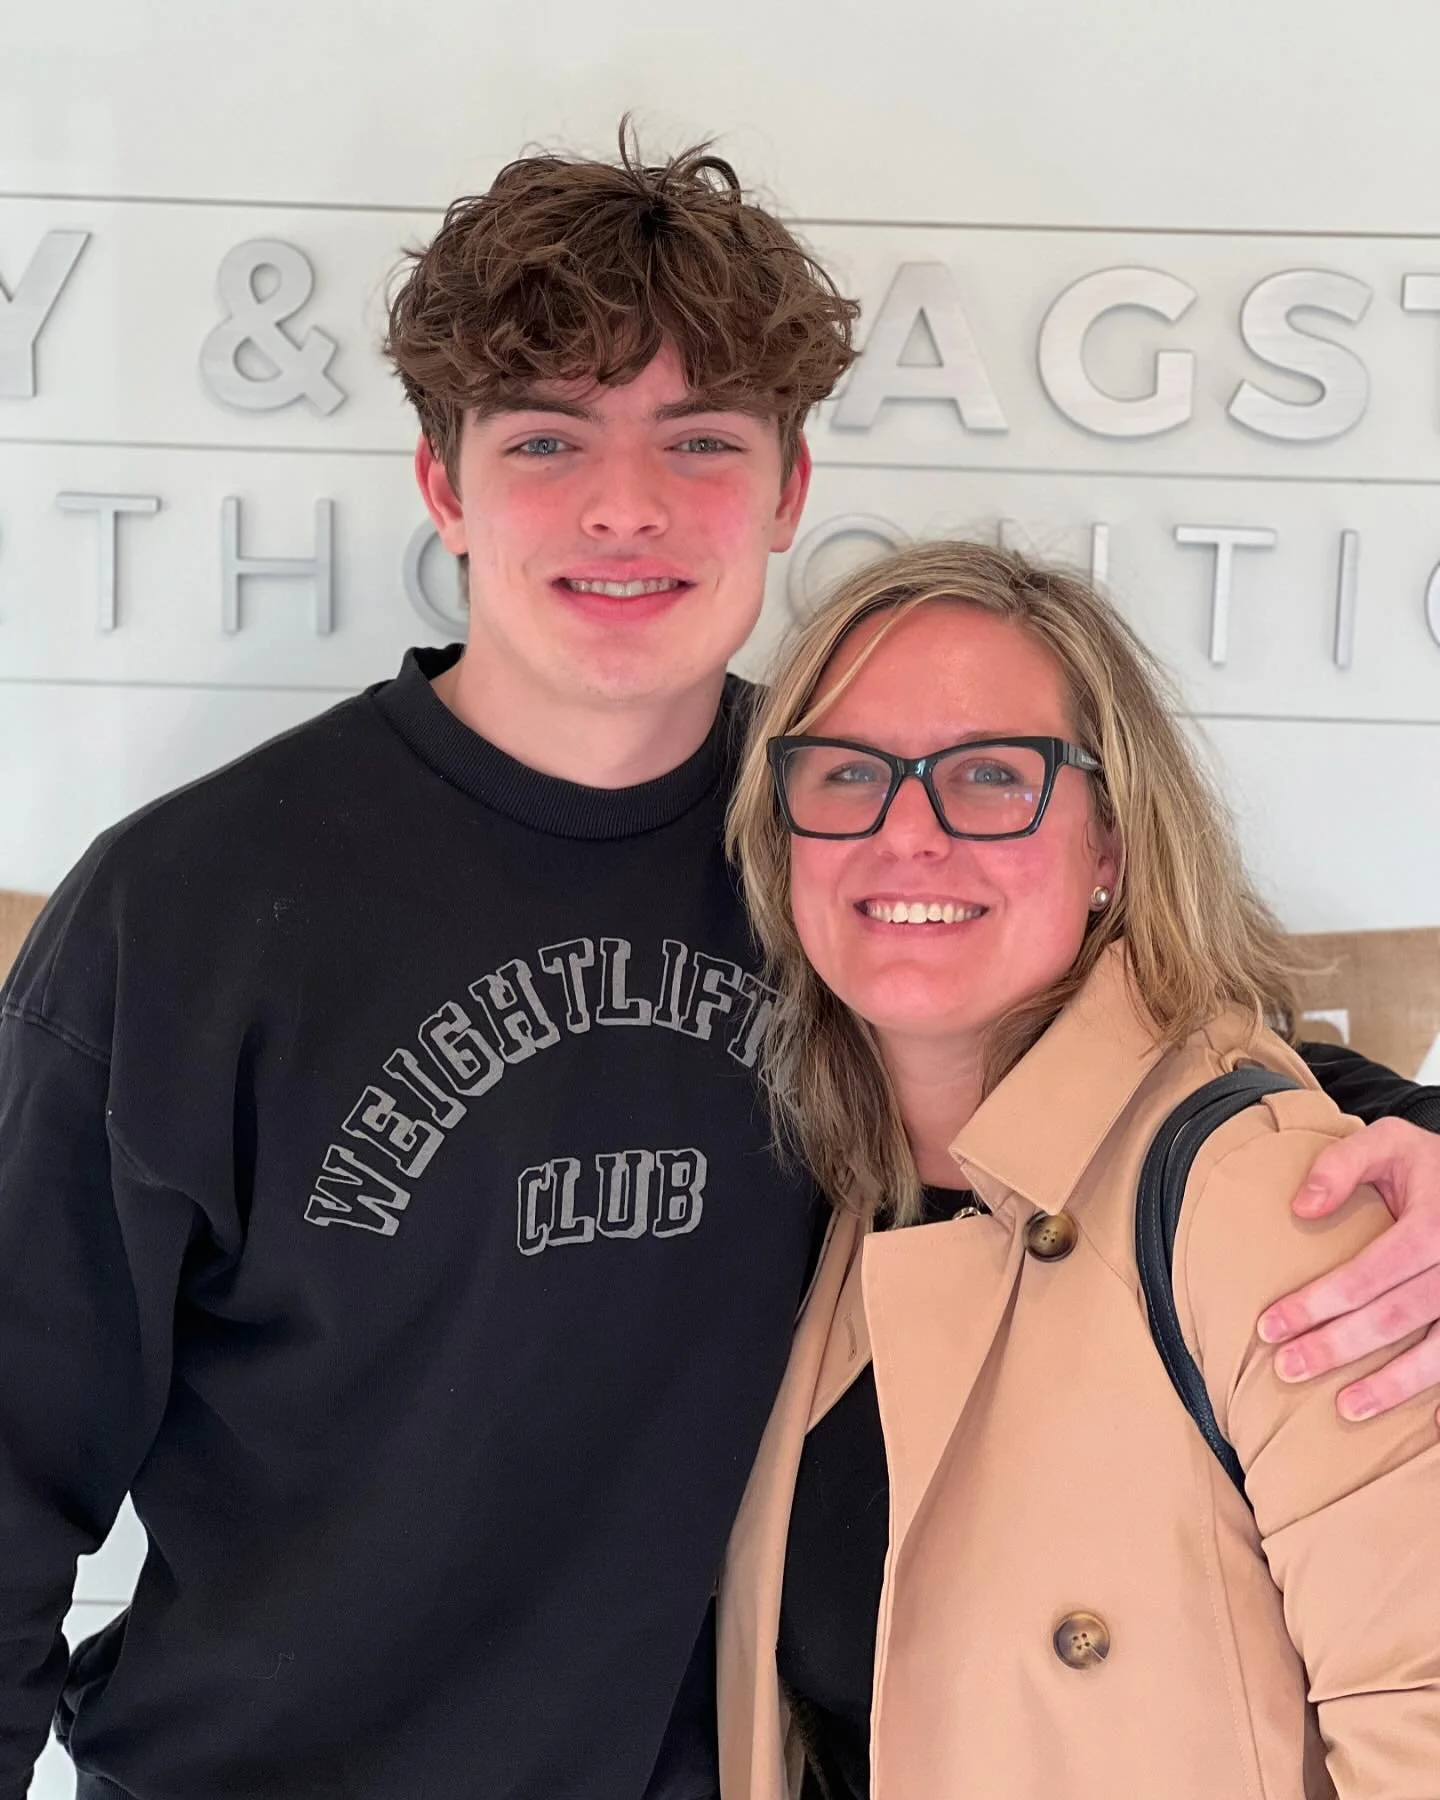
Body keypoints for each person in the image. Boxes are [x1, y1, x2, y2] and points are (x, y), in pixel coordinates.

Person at [0, 134, 1436, 1800]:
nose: (627, 504)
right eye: (547, 438)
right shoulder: (184, 909)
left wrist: (1399, 1131)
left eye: (699, 440)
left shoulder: (852, 840)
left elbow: (1124, 1058)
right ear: (444, 485)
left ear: (788, 489)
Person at [718, 540, 1440, 1799]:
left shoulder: (1272, 1201)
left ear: (1110, 843)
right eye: (849, 773)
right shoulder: (830, 1205)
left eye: (992, 775)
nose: (908, 833)